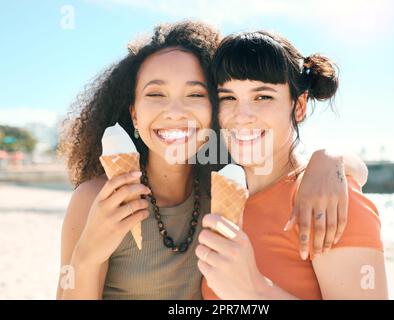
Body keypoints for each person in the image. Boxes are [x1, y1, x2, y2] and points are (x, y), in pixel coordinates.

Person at [56, 22, 368, 300]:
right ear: (134, 114)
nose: (175, 112)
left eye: (195, 95)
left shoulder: (226, 191)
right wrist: (86, 256)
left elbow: (295, 176)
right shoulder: (96, 199)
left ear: (215, 110)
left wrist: (329, 160)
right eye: (156, 95)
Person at [198, 31, 388, 300]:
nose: (241, 116)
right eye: (228, 98)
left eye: (263, 97)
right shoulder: (227, 201)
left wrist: (255, 290)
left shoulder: (328, 201)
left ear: (299, 107)